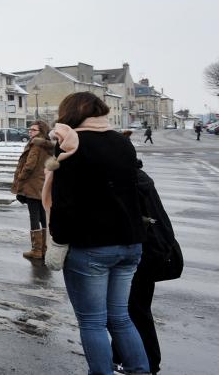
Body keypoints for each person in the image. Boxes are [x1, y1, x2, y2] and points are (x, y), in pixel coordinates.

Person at [43, 92, 149, 374]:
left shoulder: (72, 145)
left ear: (70, 113)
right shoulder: (122, 142)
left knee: (92, 322)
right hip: (130, 242)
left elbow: (64, 202)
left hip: (91, 246)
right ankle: (140, 370)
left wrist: (57, 240)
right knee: (121, 317)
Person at [111, 159, 175, 374]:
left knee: (131, 311)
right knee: (134, 310)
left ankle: (145, 362)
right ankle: (127, 358)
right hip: (153, 250)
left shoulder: (128, 181)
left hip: (142, 252)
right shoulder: (138, 175)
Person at [11, 121, 54, 261]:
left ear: (41, 131)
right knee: (43, 217)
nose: (30, 132)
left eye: (34, 130)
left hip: (32, 185)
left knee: (34, 216)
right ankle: (45, 249)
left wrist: (20, 179)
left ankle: (36, 250)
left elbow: (29, 165)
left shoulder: (36, 144)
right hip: (43, 184)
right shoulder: (48, 145)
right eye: (30, 129)